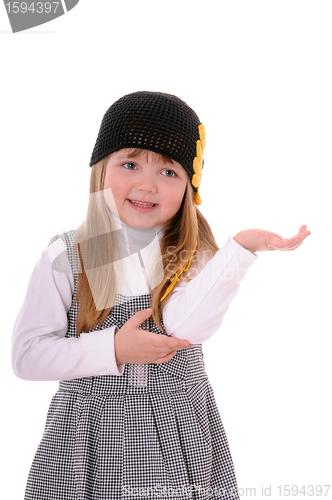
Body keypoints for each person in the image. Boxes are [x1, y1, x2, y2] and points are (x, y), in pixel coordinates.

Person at [12, 91, 310, 500]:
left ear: (189, 185)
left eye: (169, 172)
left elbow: (187, 327)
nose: (147, 185)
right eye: (130, 163)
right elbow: (27, 355)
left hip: (179, 432)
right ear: (101, 170)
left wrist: (239, 250)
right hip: (88, 441)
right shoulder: (66, 256)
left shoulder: (194, 254)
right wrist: (114, 348)